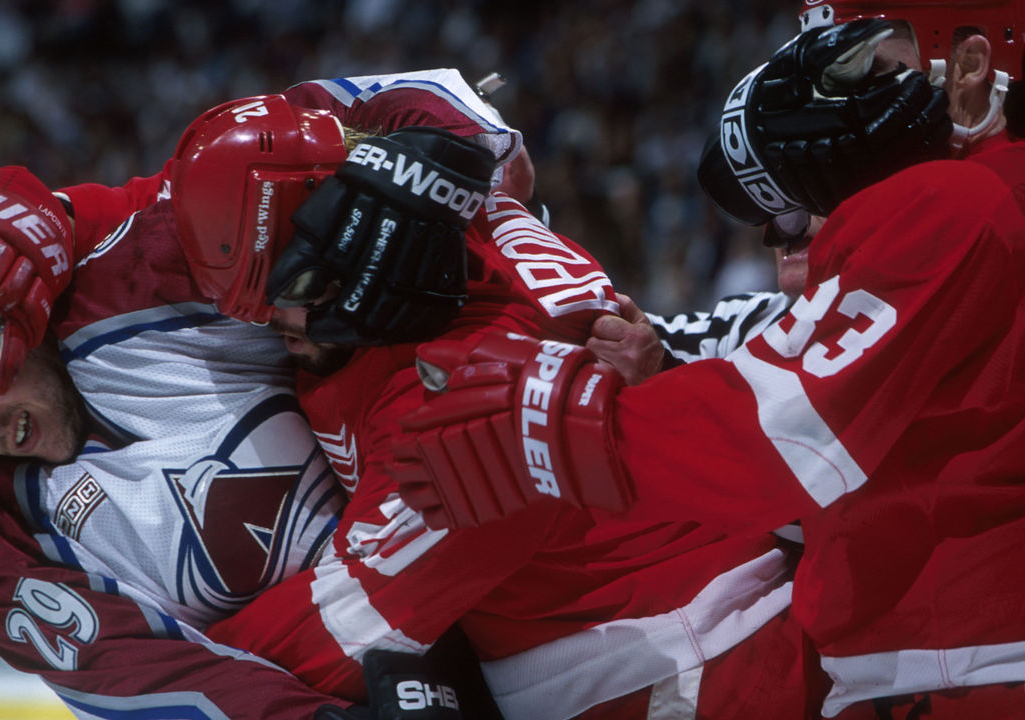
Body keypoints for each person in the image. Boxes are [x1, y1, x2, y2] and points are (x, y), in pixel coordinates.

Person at [388, 4, 1025, 718]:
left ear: (970, 68)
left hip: (960, 670)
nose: (840, 105)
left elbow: (782, 443)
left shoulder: (960, 199)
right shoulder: (992, 195)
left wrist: (543, 432)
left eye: (869, 67)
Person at [0, 69, 527, 719]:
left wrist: (436, 147)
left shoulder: (142, 263)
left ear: (29, 320)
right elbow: (138, 678)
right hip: (360, 676)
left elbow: (370, 122)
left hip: (520, 602)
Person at [162, 94, 829, 719]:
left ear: (341, 238)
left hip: (686, 673)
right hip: (716, 620)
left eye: (284, 290)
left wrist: (138, 664)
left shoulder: (461, 391)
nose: (272, 326)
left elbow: (351, 621)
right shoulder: (463, 214)